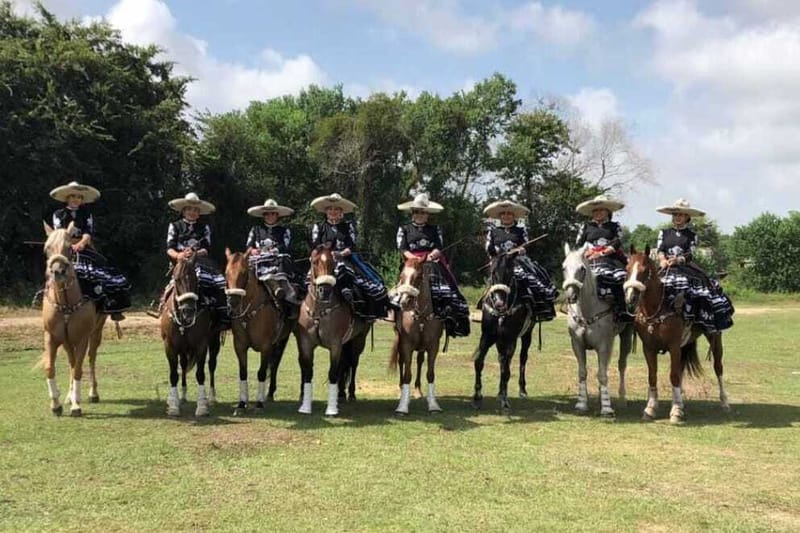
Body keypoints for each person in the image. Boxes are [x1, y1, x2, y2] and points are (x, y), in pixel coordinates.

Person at [49, 181, 131, 321]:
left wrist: (81, 244)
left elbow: (88, 232)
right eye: (73, 196)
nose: (76, 199)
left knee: (107, 273)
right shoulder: (58, 214)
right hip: (63, 248)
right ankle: (48, 299)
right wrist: (69, 245)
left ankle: (110, 305)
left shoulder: (86, 214)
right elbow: (59, 233)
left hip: (84, 248)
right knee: (55, 269)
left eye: (79, 197)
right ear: (67, 197)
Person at [396, 193, 470, 337]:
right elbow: (403, 249)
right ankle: (397, 314)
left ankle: (450, 317)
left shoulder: (435, 229)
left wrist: (430, 256)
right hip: (411, 262)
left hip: (432, 261)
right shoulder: (404, 229)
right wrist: (416, 260)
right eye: (416, 211)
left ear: (427, 214)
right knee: (400, 287)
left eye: (423, 212)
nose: (419, 214)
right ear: (412, 213)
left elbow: (438, 246)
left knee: (448, 286)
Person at [656, 198, 734, 333]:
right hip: (666, 266)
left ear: (687, 217)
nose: (677, 217)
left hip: (684, 267)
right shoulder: (664, 232)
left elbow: (690, 254)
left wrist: (678, 260)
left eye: (681, 215)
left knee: (697, 284)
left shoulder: (691, 235)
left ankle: (692, 316)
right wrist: (662, 259)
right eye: (675, 214)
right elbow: (660, 250)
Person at [309, 193, 389, 320]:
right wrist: (323, 254)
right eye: (330, 209)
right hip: (323, 260)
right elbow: (315, 245)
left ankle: (352, 299)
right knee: (307, 280)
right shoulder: (319, 226)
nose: (333, 212)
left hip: (343, 258)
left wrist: (340, 254)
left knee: (350, 274)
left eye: (336, 209)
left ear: (341, 211)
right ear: (326, 211)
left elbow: (351, 246)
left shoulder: (348, 226)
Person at [483, 199, 557, 321]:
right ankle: (486, 307)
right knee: (494, 278)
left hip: (518, 262)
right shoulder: (493, 231)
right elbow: (488, 247)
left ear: (514, 216)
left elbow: (526, 244)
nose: (506, 216)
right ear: (500, 216)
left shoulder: (521, 230)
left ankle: (540, 306)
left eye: (509, 213)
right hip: (499, 263)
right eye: (503, 213)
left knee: (531, 279)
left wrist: (521, 249)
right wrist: (497, 252)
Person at [165, 192, 228, 326]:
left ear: (199, 213)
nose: (192, 212)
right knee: (173, 284)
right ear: (183, 211)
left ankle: (220, 311)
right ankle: (162, 307)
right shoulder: (174, 226)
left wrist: (195, 253)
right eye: (189, 209)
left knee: (218, 282)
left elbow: (206, 249)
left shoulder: (204, 228)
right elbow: (169, 248)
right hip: (180, 261)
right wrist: (179, 255)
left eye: (195, 210)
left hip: (200, 261)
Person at [575, 194, 631, 322]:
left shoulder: (615, 226)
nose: (598, 213)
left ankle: (621, 310)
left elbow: (618, 241)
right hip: (589, 259)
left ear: (608, 212)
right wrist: (586, 252)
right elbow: (578, 244)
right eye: (595, 210)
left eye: (601, 210)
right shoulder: (585, 227)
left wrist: (602, 253)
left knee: (620, 278)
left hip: (610, 259)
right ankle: (574, 309)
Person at [245, 198, 303, 314]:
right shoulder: (255, 230)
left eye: (273, 213)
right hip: (259, 259)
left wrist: (275, 250)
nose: (270, 216)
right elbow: (249, 246)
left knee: (284, 261)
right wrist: (253, 250)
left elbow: (286, 245)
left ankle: (286, 298)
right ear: (263, 215)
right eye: (267, 214)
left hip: (277, 258)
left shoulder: (284, 230)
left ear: (277, 215)